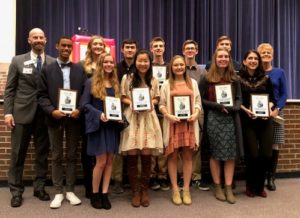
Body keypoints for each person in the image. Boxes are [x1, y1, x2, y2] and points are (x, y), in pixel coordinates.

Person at [4, 28, 55, 207]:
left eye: (41, 37)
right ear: (29, 40)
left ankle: (39, 187)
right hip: (21, 114)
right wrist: (8, 113)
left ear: (46, 40)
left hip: (44, 116)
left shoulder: (53, 62)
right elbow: (10, 89)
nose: (38, 40)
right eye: (35, 37)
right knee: (18, 154)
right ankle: (16, 191)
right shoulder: (18, 60)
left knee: (42, 154)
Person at [38, 36, 87, 209]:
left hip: (74, 118)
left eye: (69, 46)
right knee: (57, 155)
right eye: (63, 45)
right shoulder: (47, 69)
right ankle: (58, 192)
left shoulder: (80, 69)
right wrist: (52, 111)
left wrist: (80, 109)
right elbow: (41, 95)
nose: (66, 48)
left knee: (72, 155)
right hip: (54, 118)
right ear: (57, 46)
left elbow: (85, 93)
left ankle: (70, 190)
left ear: (72, 48)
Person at [80, 53, 126, 209]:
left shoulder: (115, 84)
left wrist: (120, 117)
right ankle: (95, 193)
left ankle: (105, 193)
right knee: (100, 162)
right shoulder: (90, 82)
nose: (108, 64)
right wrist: (99, 114)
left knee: (109, 162)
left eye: (111, 62)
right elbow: (84, 105)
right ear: (100, 64)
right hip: (98, 127)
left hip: (112, 127)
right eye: (105, 62)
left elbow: (117, 105)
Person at [120, 49, 163, 207]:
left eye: (146, 61)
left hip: (148, 119)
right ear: (135, 62)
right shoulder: (127, 78)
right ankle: (135, 191)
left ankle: (144, 190)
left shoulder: (154, 79)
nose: (143, 64)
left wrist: (153, 103)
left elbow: (157, 97)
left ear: (149, 62)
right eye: (140, 61)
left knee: (146, 155)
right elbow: (123, 95)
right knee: (132, 155)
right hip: (132, 118)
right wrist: (131, 103)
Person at [199, 48, 242, 204]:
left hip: (230, 119)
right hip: (214, 118)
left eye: (226, 56)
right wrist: (216, 106)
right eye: (220, 56)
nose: (223, 59)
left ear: (229, 59)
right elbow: (200, 100)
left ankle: (228, 187)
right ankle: (217, 186)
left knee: (230, 154)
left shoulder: (234, 78)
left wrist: (235, 108)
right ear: (215, 59)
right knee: (215, 153)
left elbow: (238, 99)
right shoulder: (207, 78)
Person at [159, 55, 201, 205]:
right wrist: (168, 115)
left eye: (181, 65)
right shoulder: (165, 84)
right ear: (171, 67)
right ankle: (175, 189)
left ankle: (187, 188)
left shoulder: (193, 83)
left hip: (189, 125)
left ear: (185, 66)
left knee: (188, 157)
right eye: (176, 65)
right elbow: (161, 104)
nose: (179, 67)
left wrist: (196, 113)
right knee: (173, 157)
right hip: (173, 125)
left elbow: (197, 102)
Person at [239, 50, 275, 198]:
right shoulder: (237, 78)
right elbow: (237, 100)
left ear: (259, 62)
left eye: (255, 58)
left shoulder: (266, 79)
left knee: (266, 154)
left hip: (265, 121)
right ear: (244, 61)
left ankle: (259, 186)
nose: (253, 60)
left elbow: (272, 98)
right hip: (248, 120)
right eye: (250, 58)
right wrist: (246, 110)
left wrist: (269, 108)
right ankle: (250, 185)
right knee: (252, 155)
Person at [257, 43, 288, 191]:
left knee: (274, 145)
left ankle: (271, 177)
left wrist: (277, 109)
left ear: (273, 55)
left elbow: (284, 94)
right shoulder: (254, 72)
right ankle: (260, 176)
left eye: (269, 52)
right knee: (260, 145)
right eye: (263, 52)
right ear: (258, 55)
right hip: (257, 113)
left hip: (276, 113)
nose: (266, 54)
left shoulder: (279, 72)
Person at [111, 38, 138, 194]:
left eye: (132, 47)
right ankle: (118, 180)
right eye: (127, 47)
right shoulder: (115, 68)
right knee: (119, 147)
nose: (129, 50)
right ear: (121, 50)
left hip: (137, 112)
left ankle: (132, 178)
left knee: (134, 145)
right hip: (118, 110)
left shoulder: (141, 66)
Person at [81, 35, 106, 198]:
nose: (98, 46)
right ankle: (89, 188)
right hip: (88, 114)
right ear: (90, 47)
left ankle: (101, 186)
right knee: (88, 152)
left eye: (100, 44)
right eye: (94, 44)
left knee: (103, 154)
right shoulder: (81, 67)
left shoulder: (108, 64)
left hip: (105, 114)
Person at [182, 39, 209, 191]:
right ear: (183, 51)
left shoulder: (202, 71)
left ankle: (196, 176)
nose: (190, 51)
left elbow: (204, 93)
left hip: (198, 110)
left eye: (193, 48)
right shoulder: (177, 67)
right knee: (181, 143)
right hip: (179, 110)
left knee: (195, 144)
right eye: (188, 48)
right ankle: (182, 176)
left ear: (196, 51)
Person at [149, 36, 169, 191]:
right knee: (151, 144)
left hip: (165, 111)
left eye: (160, 46)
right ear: (151, 49)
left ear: (164, 49)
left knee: (163, 145)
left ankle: (162, 176)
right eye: (155, 46)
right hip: (149, 110)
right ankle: (151, 175)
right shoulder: (146, 66)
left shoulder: (169, 68)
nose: (158, 48)